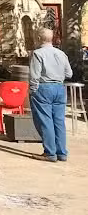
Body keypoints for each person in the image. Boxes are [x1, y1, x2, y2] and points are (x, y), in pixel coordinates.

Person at [29, 28, 72, 162]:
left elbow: (34, 75)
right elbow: (69, 74)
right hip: (59, 88)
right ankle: (62, 152)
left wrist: (32, 90)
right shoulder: (61, 54)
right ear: (52, 38)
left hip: (44, 88)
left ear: (39, 38)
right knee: (59, 121)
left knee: (45, 120)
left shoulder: (38, 53)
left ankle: (50, 153)